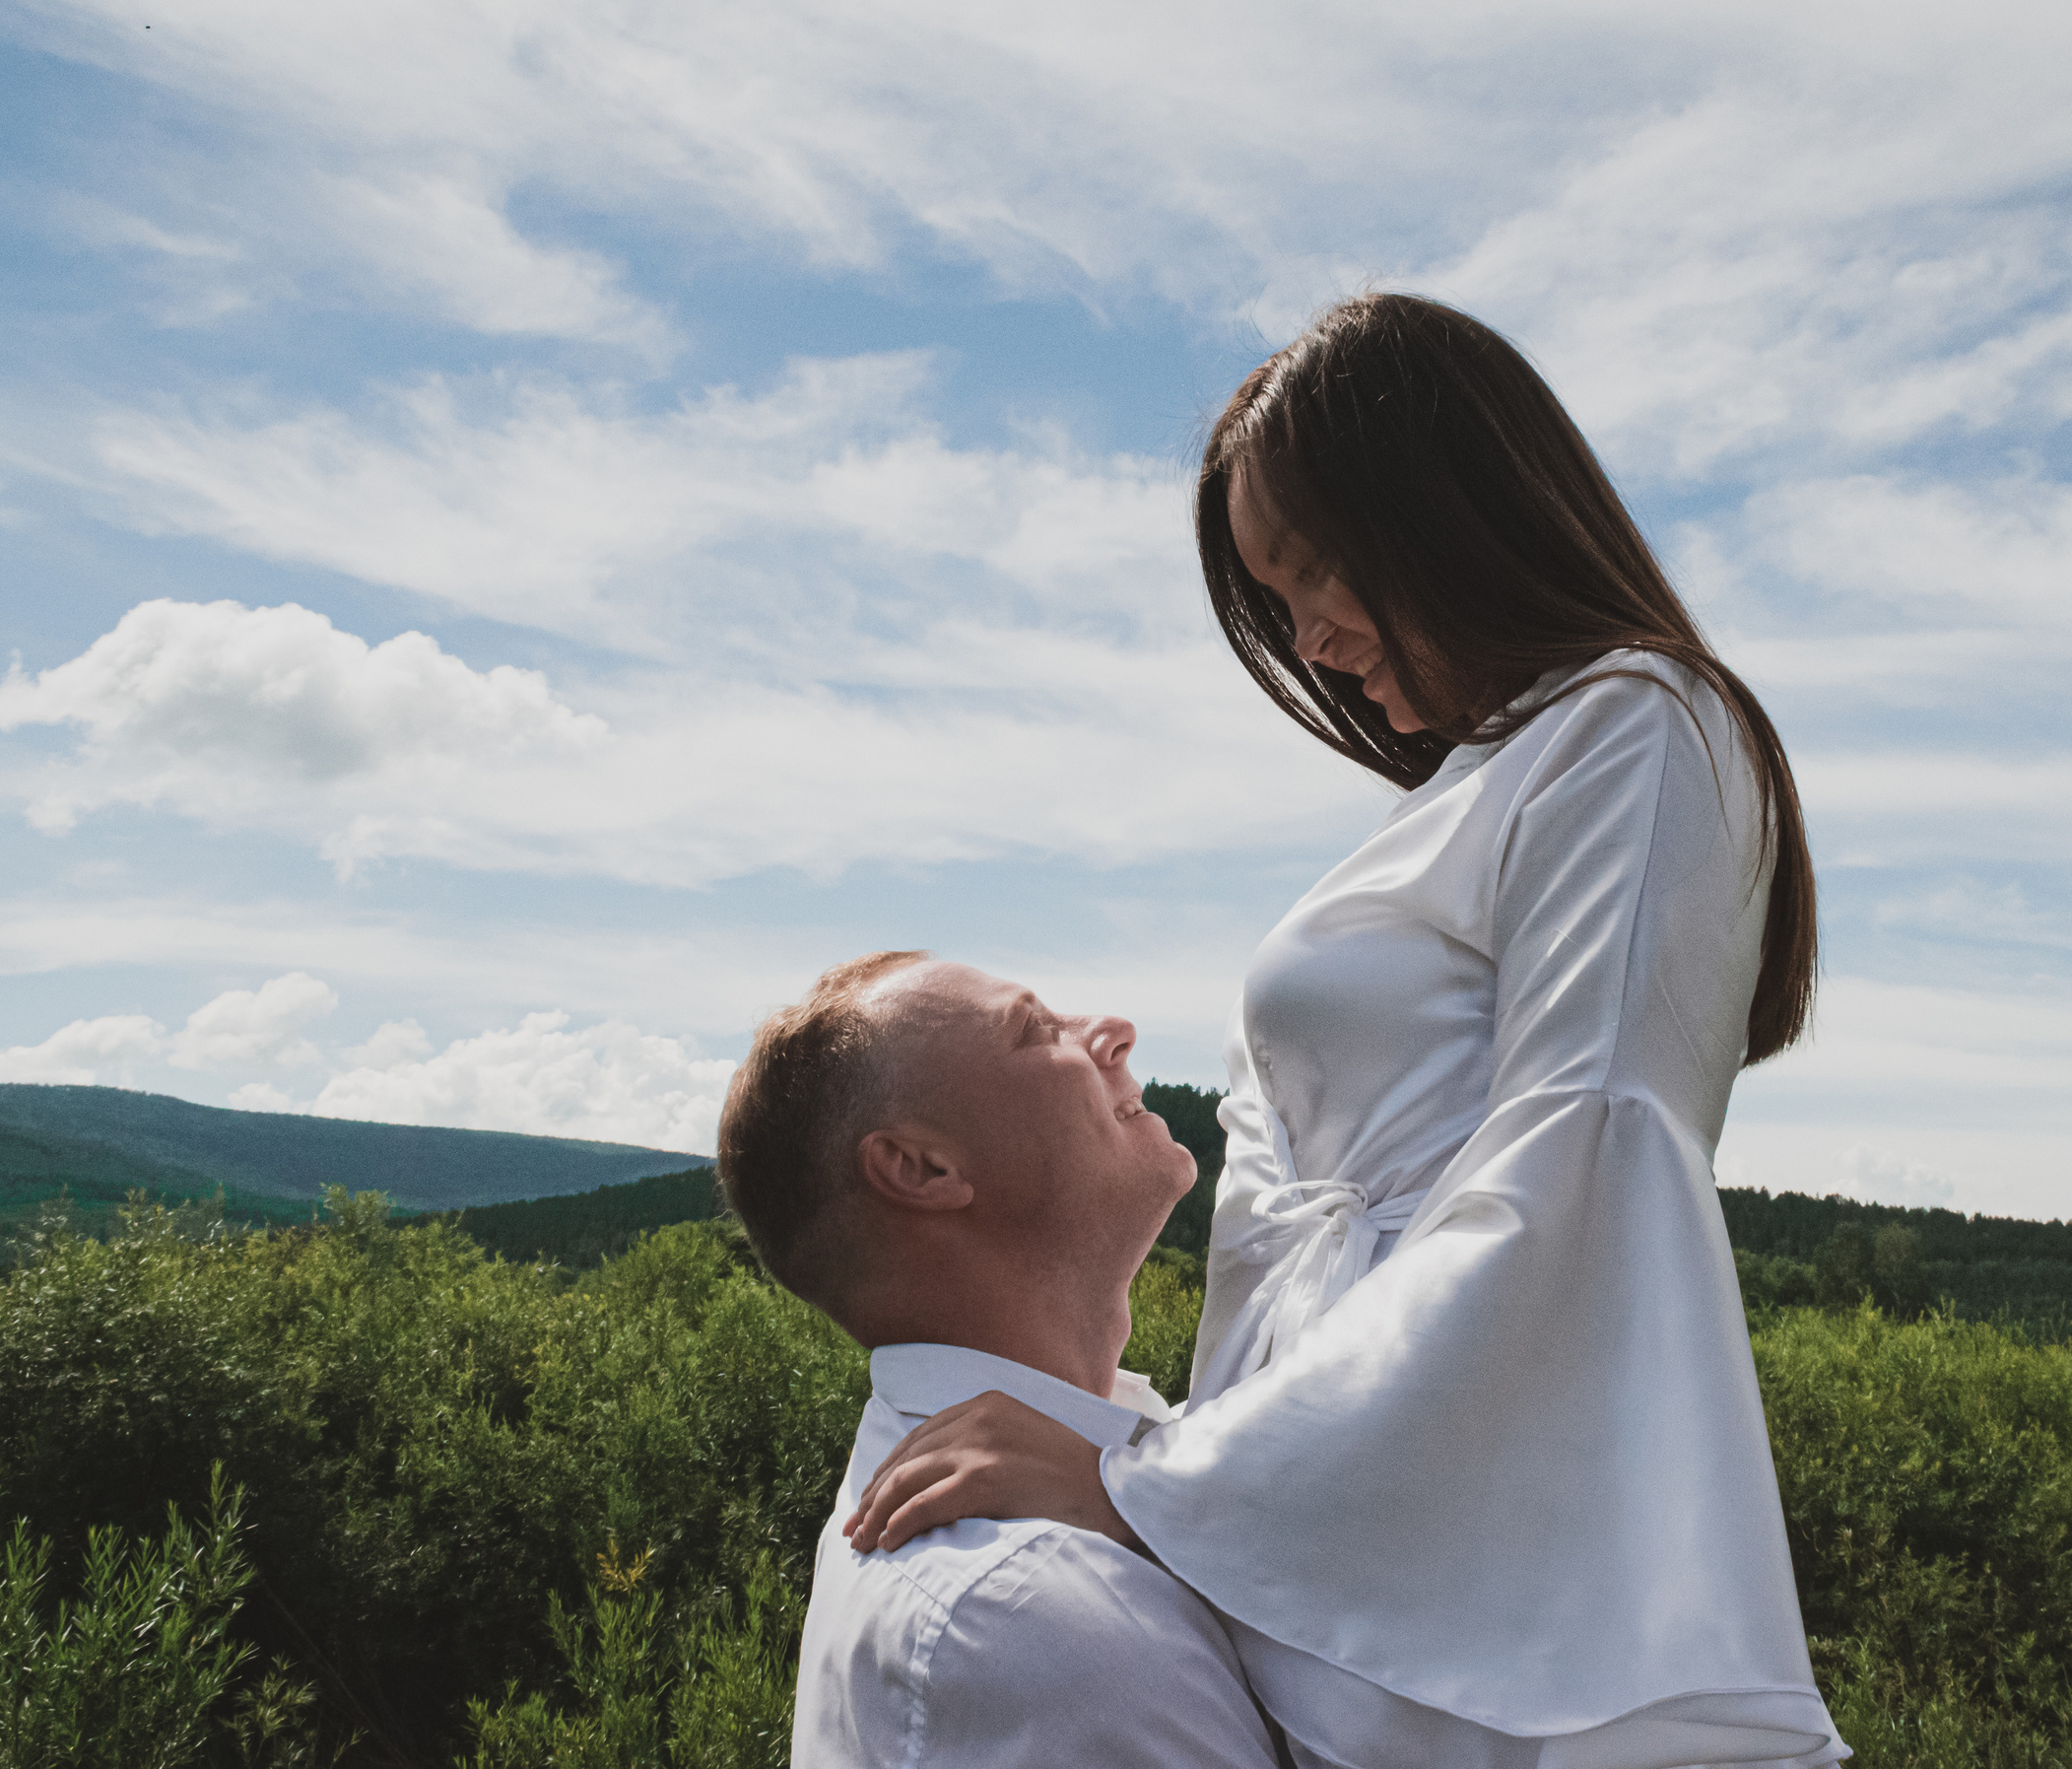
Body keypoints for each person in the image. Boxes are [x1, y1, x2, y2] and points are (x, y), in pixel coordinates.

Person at [847, 294, 1850, 1769]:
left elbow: (1581, 1175)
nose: (1310, 637)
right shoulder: (1484, 780)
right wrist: (1183, 1476)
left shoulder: (1636, 724)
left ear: (1449, 506)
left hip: (1489, 1651)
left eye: (1315, 568)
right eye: (1279, 592)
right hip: (1338, 1593)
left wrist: (1144, 1479)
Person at [716, 950, 1287, 1769]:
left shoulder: (1123, 1462)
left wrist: (1133, 1489)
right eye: (1038, 1030)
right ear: (921, 1169)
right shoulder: (1029, 1619)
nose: (1115, 1032)